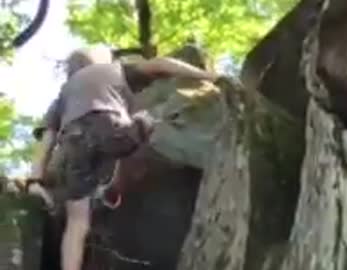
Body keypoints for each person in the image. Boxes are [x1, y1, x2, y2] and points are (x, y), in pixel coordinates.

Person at [29, 46, 218, 270]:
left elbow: (47, 141)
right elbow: (161, 64)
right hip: (111, 128)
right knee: (146, 123)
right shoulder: (114, 70)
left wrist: (34, 181)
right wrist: (208, 76)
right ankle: (213, 155)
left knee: (77, 222)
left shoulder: (63, 95)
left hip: (73, 142)